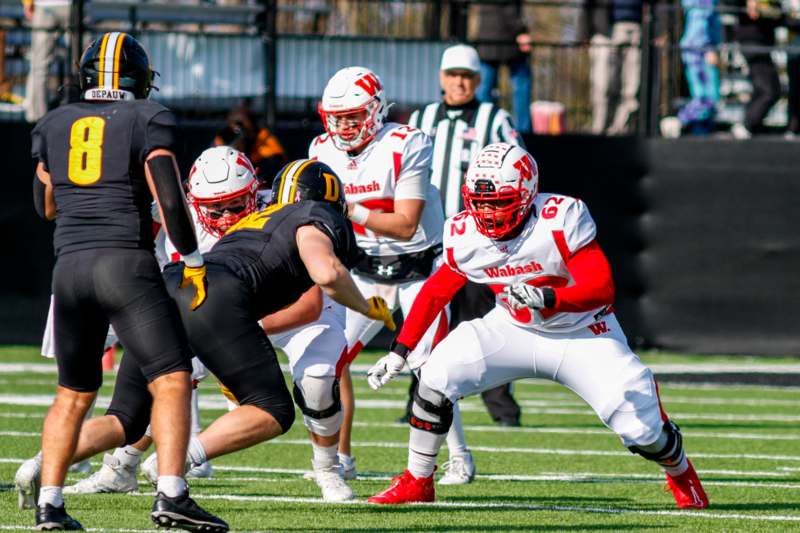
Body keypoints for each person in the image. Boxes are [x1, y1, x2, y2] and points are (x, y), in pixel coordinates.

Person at [17, 159, 396, 525]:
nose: (226, 212)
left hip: (174, 286)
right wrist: (366, 305)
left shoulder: (260, 219)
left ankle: (39, 465)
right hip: (219, 300)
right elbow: (327, 271)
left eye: (234, 203)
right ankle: (179, 460)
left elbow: (304, 297)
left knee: (126, 418)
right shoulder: (314, 214)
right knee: (272, 409)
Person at [365, 142, 710, 511]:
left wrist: (549, 298)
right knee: (436, 374)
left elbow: (601, 287)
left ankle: (681, 472)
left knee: (642, 429)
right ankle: (418, 480)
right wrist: (400, 350)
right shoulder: (465, 233)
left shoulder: (559, 218)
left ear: (527, 193)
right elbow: (436, 291)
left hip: (582, 333)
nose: (487, 212)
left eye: (498, 201)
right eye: (479, 202)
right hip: (514, 328)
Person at [21, 32, 226, 531]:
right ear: (138, 80)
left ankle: (51, 503)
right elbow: (170, 196)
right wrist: (195, 260)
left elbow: (44, 204)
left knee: (72, 392)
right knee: (173, 379)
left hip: (68, 268)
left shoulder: (55, 121)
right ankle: (172, 494)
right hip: (125, 264)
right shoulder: (147, 118)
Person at [311, 66, 449, 480]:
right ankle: (340, 459)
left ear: (374, 110)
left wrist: (348, 208)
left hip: (418, 267)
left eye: (353, 116)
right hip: (366, 271)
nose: (344, 126)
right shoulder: (320, 150)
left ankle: (457, 457)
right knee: (329, 360)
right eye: (337, 117)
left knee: (434, 371)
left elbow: (407, 223)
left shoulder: (406, 143)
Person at [402, 43, 527, 485]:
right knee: (429, 325)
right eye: (453, 74)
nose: (459, 82)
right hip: (432, 239)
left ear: (478, 81)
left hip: (481, 241)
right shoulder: (420, 120)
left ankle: (501, 406)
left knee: (490, 325)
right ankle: (418, 404)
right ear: (441, 77)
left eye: (467, 76)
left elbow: (520, 166)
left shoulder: (495, 118)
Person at [661, 0, 722, 137]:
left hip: (701, 47)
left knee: (709, 96)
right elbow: (701, 22)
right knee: (706, 96)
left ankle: (700, 129)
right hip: (698, 48)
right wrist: (710, 48)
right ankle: (680, 120)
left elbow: (713, 23)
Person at [473, 0, 533, 134]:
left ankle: (486, 126)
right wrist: (520, 31)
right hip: (507, 37)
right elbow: (509, 8)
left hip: (487, 37)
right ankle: (522, 130)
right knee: (521, 85)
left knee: (484, 88)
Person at [590, 0, 643, 135]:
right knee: (605, 83)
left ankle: (620, 127)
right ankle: (599, 127)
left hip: (636, 26)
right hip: (607, 31)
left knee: (631, 84)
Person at [730, 0, 782, 138]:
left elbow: (779, 15)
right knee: (770, 91)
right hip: (752, 45)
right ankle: (747, 124)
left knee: (765, 89)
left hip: (762, 45)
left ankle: (749, 123)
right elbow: (729, 4)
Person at [213, 103, 287, 188]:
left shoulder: (266, 143)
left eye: (241, 126)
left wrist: (243, 154)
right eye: (234, 126)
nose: (237, 131)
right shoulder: (222, 139)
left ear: (252, 125)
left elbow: (268, 180)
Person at [22, 0, 71, 123]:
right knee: (81, 64)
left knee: (39, 67)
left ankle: (36, 120)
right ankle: (87, 112)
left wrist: (28, 3)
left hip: (47, 6)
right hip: (68, 6)